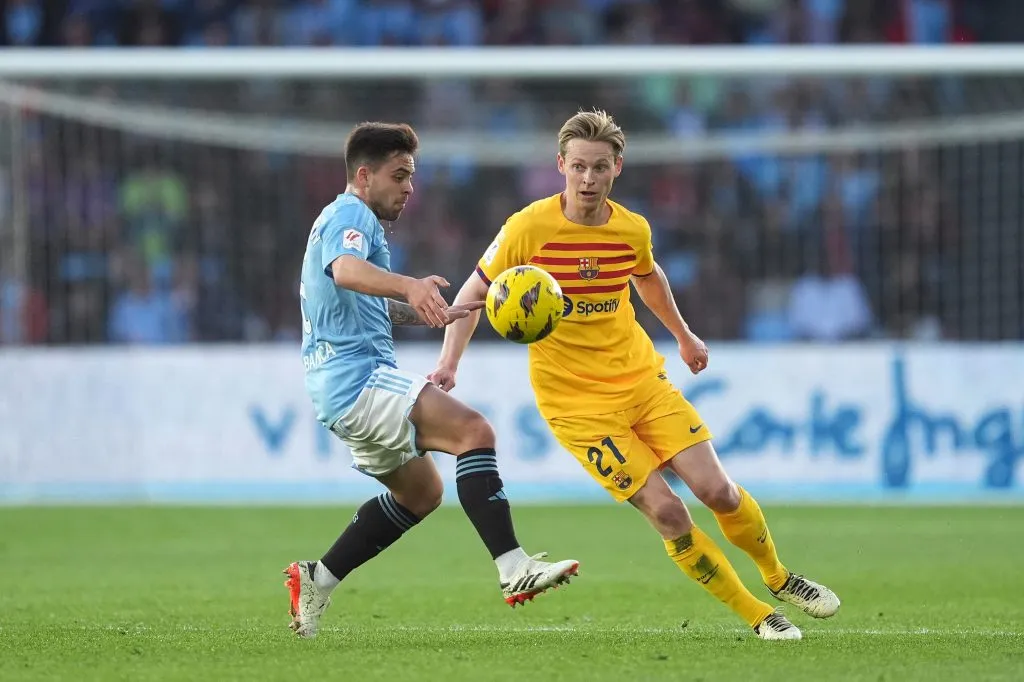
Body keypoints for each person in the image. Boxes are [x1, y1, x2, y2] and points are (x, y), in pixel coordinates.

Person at [429, 110, 840, 641]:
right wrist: (449, 362)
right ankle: (759, 615)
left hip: (643, 383)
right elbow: (474, 294)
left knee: (719, 493)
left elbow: (648, 278)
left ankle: (779, 578)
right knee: (668, 513)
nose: (588, 179)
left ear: (616, 167)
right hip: (577, 407)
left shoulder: (631, 228)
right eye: (578, 166)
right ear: (561, 165)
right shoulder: (526, 228)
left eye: (599, 167)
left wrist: (684, 335)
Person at [285, 122, 579, 639]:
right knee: (474, 432)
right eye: (399, 176)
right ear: (363, 174)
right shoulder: (349, 213)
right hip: (357, 379)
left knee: (421, 495)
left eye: (412, 177)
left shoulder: (350, 222)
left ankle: (318, 577)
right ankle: (514, 568)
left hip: (340, 388)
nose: (408, 188)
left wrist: (426, 311)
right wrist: (410, 284)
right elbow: (346, 272)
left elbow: (360, 301)